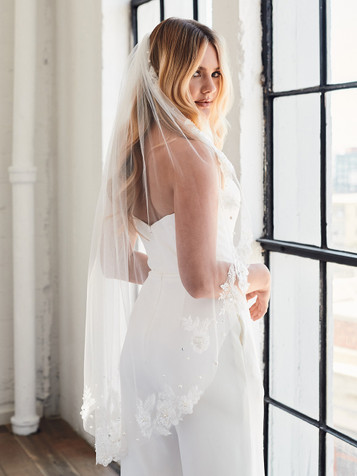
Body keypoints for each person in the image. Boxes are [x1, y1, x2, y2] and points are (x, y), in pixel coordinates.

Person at [81, 17, 270, 476]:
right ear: (165, 74)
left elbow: (113, 259)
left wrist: (164, 268)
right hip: (203, 348)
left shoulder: (135, 153)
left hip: (147, 342)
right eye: (194, 72)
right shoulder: (194, 156)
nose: (208, 87)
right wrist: (260, 276)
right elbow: (202, 279)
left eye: (215, 73)